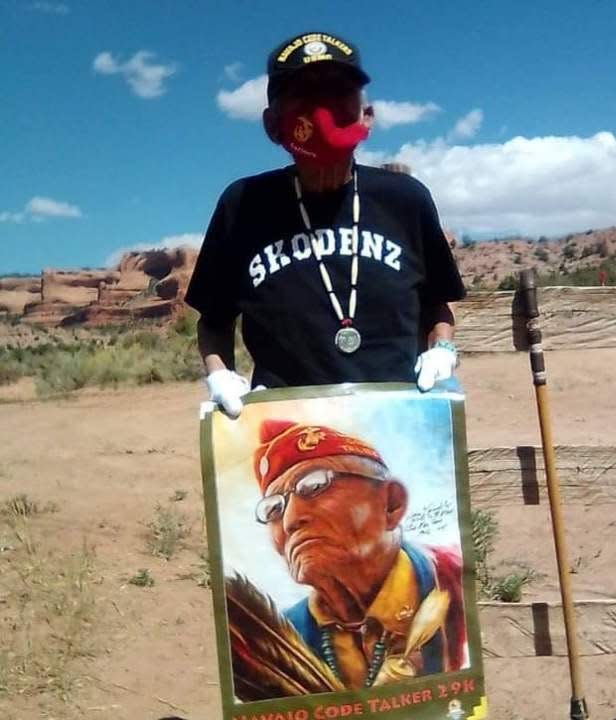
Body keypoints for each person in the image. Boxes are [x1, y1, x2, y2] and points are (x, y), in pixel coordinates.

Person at [185, 31, 465, 416]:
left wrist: (443, 351)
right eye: (304, 95)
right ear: (273, 124)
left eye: (339, 93)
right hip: (288, 424)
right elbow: (213, 319)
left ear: (366, 114)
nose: (323, 110)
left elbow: (437, 303)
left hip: (400, 423)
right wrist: (220, 375)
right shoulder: (244, 205)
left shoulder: (405, 200)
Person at [225, 419, 467, 690]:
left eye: (313, 485)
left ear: (391, 503)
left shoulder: (456, 580)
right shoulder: (279, 641)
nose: (290, 520)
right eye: (273, 510)